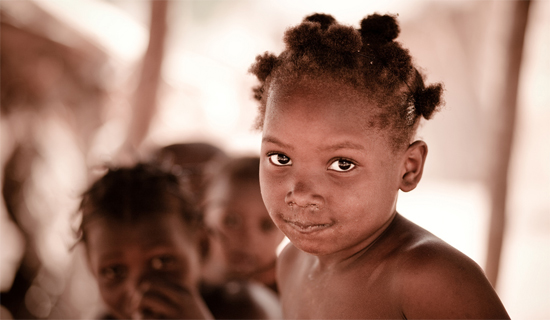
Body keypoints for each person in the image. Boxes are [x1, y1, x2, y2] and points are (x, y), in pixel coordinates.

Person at [249, 13, 510, 319]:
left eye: (342, 164)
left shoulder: (430, 279)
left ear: (408, 168)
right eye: (281, 158)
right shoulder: (290, 263)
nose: (302, 193)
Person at [77, 163, 213, 319]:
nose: (139, 290)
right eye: (114, 271)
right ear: (91, 267)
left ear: (202, 247)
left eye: (162, 261)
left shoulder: (239, 308)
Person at [201, 156, 285, 293]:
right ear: (203, 213)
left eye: (267, 225)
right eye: (232, 221)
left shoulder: (291, 290)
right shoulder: (184, 278)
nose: (248, 238)